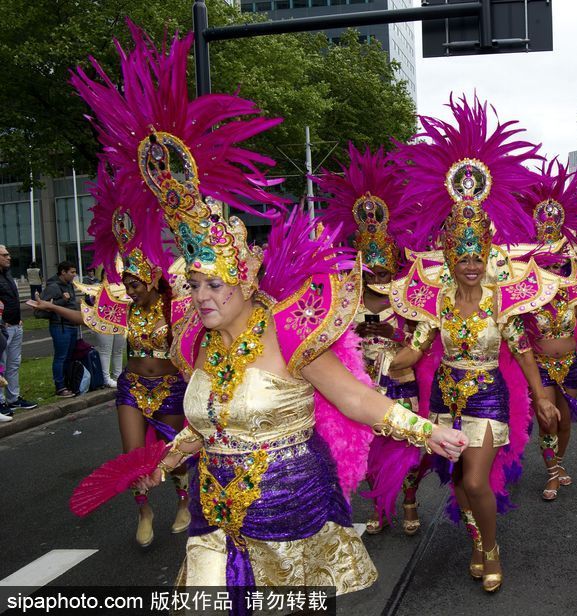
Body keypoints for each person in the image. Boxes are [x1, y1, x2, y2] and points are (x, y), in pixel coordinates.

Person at [73, 25, 466, 597]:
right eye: (196, 283)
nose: (202, 296)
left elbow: (354, 398)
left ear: (246, 279)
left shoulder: (290, 331)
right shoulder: (195, 340)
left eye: (215, 283)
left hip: (294, 511)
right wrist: (166, 455)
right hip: (218, 517)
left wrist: (425, 432)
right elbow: (210, 422)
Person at [385, 94, 561, 593]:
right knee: (459, 481)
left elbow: (522, 348)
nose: (469, 263)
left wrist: (541, 395)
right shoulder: (435, 303)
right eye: (461, 256)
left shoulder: (499, 299)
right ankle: (476, 540)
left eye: (476, 255)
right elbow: (414, 352)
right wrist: (374, 360)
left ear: (486, 255)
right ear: (448, 255)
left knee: (478, 480)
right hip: (445, 394)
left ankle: (491, 545)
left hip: (487, 393)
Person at [29, 172, 191, 547]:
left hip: (170, 387)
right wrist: (51, 305)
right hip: (133, 387)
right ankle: (144, 511)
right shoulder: (127, 311)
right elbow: (87, 317)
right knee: (133, 457)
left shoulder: (176, 309)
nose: (129, 291)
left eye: (134, 285)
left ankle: (183, 501)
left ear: (151, 280)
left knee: (173, 454)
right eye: (127, 285)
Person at [314, 144, 430, 536]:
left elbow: (417, 349)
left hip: (399, 380)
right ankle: (381, 505)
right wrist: (355, 338)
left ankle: (409, 500)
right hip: (359, 386)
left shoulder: (408, 299)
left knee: (406, 449)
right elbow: (328, 342)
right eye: (370, 268)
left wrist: (392, 339)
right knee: (368, 449)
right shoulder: (344, 303)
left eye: (384, 268)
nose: (378, 275)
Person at [519, 159, 577, 501]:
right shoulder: (523, 275)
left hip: (570, 361)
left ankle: (560, 462)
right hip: (539, 361)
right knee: (547, 421)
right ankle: (552, 474)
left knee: (565, 422)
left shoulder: (573, 278)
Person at [0, 245, 36, 414]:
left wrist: (18, 319)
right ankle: (1, 402)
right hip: (3, 328)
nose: (9, 257)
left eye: (8, 255)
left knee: (13, 364)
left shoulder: (7, 275)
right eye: (5, 255)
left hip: (15, 325)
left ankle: (13, 398)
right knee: (1, 366)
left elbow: (12, 299)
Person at [39, 261, 80, 398]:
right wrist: (62, 300)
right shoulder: (53, 287)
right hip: (60, 326)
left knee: (68, 357)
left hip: (72, 326)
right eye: (72, 272)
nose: (75, 275)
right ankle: (60, 387)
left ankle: (68, 383)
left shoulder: (69, 285)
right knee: (61, 357)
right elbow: (40, 309)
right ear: (63, 272)